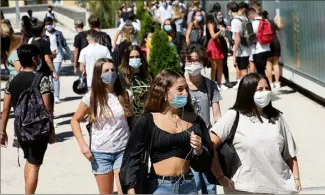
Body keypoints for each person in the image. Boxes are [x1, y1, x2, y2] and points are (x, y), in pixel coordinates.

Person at [119, 69, 214, 194]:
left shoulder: (195, 121)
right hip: (159, 187)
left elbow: (204, 164)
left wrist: (199, 150)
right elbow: (131, 157)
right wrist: (131, 189)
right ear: (164, 92)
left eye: (186, 88)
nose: (185, 93)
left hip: (188, 186)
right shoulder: (147, 121)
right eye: (180, 89)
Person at [210, 73, 302, 194]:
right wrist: (220, 177)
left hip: (278, 188)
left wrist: (296, 179)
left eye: (267, 88)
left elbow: (290, 154)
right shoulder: (233, 115)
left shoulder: (277, 118)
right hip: (243, 189)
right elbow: (210, 146)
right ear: (247, 92)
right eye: (260, 89)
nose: (265, 92)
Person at [71, 58, 133, 194]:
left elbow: (131, 120)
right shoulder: (91, 97)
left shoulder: (125, 95)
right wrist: (83, 146)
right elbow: (74, 120)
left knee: (125, 190)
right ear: (99, 74)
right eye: (106, 71)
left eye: (112, 70)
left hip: (123, 150)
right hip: (100, 153)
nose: (110, 73)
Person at [1, 44, 52, 194]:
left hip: (21, 128)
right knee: (35, 164)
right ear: (33, 59)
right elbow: (47, 108)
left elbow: (5, 109)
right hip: (38, 128)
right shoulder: (42, 80)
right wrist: (51, 130)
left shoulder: (12, 81)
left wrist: (2, 131)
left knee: (29, 160)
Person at [182, 44, 221, 194]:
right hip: (187, 138)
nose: (192, 64)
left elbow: (217, 115)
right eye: (189, 60)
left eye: (196, 60)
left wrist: (218, 135)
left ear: (203, 62)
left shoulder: (210, 85)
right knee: (195, 182)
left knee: (210, 182)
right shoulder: (180, 85)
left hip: (206, 138)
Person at [29, 22, 58, 111]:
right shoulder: (44, 42)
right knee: (48, 96)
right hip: (44, 73)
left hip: (34, 73)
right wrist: (54, 71)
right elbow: (47, 59)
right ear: (42, 31)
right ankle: (49, 118)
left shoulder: (31, 41)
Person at [118, 45, 152, 117]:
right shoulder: (122, 75)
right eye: (131, 57)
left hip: (147, 114)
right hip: (131, 115)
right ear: (127, 59)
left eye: (137, 57)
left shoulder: (148, 73)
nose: (134, 59)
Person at [44, 16, 71, 104]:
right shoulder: (42, 35)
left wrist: (69, 54)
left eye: (50, 24)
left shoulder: (58, 33)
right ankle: (48, 95)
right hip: (47, 56)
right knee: (48, 77)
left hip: (57, 57)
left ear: (53, 24)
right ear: (44, 25)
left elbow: (64, 44)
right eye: (47, 24)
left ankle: (56, 96)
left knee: (55, 76)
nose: (49, 26)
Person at [228, 2, 251, 89]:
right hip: (246, 47)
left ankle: (246, 88)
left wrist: (234, 55)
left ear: (230, 11)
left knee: (243, 69)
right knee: (244, 68)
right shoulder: (244, 18)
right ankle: (244, 85)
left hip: (241, 50)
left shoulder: (235, 21)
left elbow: (237, 39)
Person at [247, 8, 271, 77]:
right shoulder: (267, 22)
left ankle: (265, 86)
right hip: (267, 49)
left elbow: (251, 39)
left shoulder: (252, 24)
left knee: (260, 72)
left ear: (253, 14)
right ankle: (265, 86)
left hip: (257, 50)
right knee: (262, 70)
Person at [206, 9, 226, 90]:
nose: (218, 17)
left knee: (220, 66)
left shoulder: (216, 23)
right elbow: (213, 36)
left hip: (218, 44)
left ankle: (220, 83)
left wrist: (223, 30)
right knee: (214, 67)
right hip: (213, 45)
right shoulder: (210, 24)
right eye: (216, 15)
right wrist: (220, 30)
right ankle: (213, 84)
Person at [261, 10, 282, 89]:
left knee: (268, 64)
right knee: (276, 64)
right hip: (276, 42)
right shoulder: (272, 22)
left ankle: (270, 83)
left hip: (267, 43)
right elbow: (279, 28)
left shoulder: (262, 23)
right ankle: (277, 82)